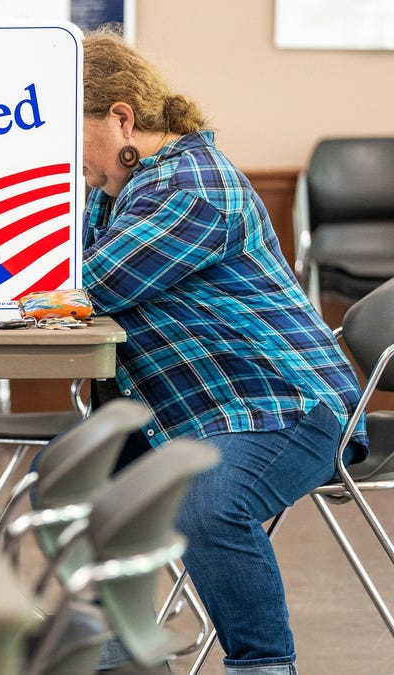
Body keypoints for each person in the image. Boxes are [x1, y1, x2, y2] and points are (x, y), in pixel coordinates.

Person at [79, 28, 369, 675]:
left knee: (206, 501)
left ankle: (263, 663)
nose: (70, 163)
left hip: (287, 404)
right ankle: (115, 643)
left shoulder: (191, 185)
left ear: (121, 117)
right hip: (202, 408)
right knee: (83, 472)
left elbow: (91, 284)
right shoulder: (117, 195)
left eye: (73, 138)